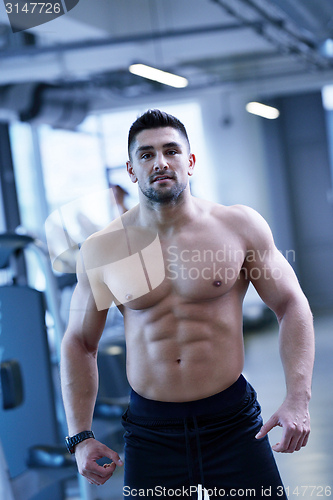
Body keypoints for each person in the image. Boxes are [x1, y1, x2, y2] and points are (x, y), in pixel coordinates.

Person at [60, 110, 315, 499]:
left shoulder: (239, 227)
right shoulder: (102, 249)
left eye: (171, 150)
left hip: (233, 424)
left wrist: (298, 398)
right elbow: (79, 342)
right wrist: (80, 437)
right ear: (131, 170)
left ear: (190, 161)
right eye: (146, 155)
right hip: (151, 432)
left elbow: (291, 305)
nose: (160, 162)